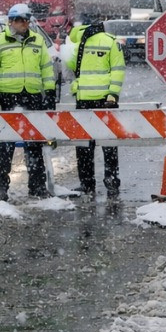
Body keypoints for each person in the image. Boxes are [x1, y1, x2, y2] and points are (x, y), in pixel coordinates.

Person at [0, 3, 58, 201]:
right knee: (4, 146)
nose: (23, 23)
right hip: (7, 97)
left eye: (26, 20)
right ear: (11, 21)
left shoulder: (37, 41)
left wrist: (49, 92)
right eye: (19, 20)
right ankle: (1, 189)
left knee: (34, 143)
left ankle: (37, 187)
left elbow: (46, 69)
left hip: (32, 96)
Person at [63, 14, 125, 196]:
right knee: (109, 144)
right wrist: (113, 94)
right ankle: (112, 181)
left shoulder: (78, 43)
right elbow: (118, 69)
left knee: (84, 144)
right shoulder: (111, 41)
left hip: (84, 99)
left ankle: (87, 183)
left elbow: (72, 67)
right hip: (106, 99)